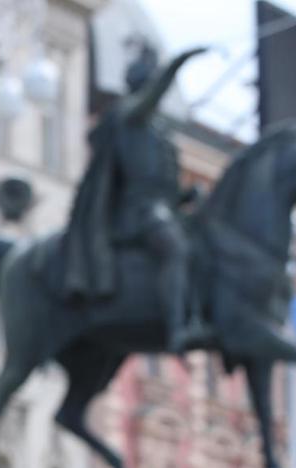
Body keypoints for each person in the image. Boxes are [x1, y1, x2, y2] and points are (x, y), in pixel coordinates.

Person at [61, 43, 209, 353]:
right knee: (176, 249)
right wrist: (179, 61)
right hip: (138, 212)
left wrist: (185, 195)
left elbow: (162, 184)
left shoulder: (158, 129)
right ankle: (177, 327)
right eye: (150, 80)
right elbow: (140, 182)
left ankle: (197, 315)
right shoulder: (129, 114)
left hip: (162, 209)